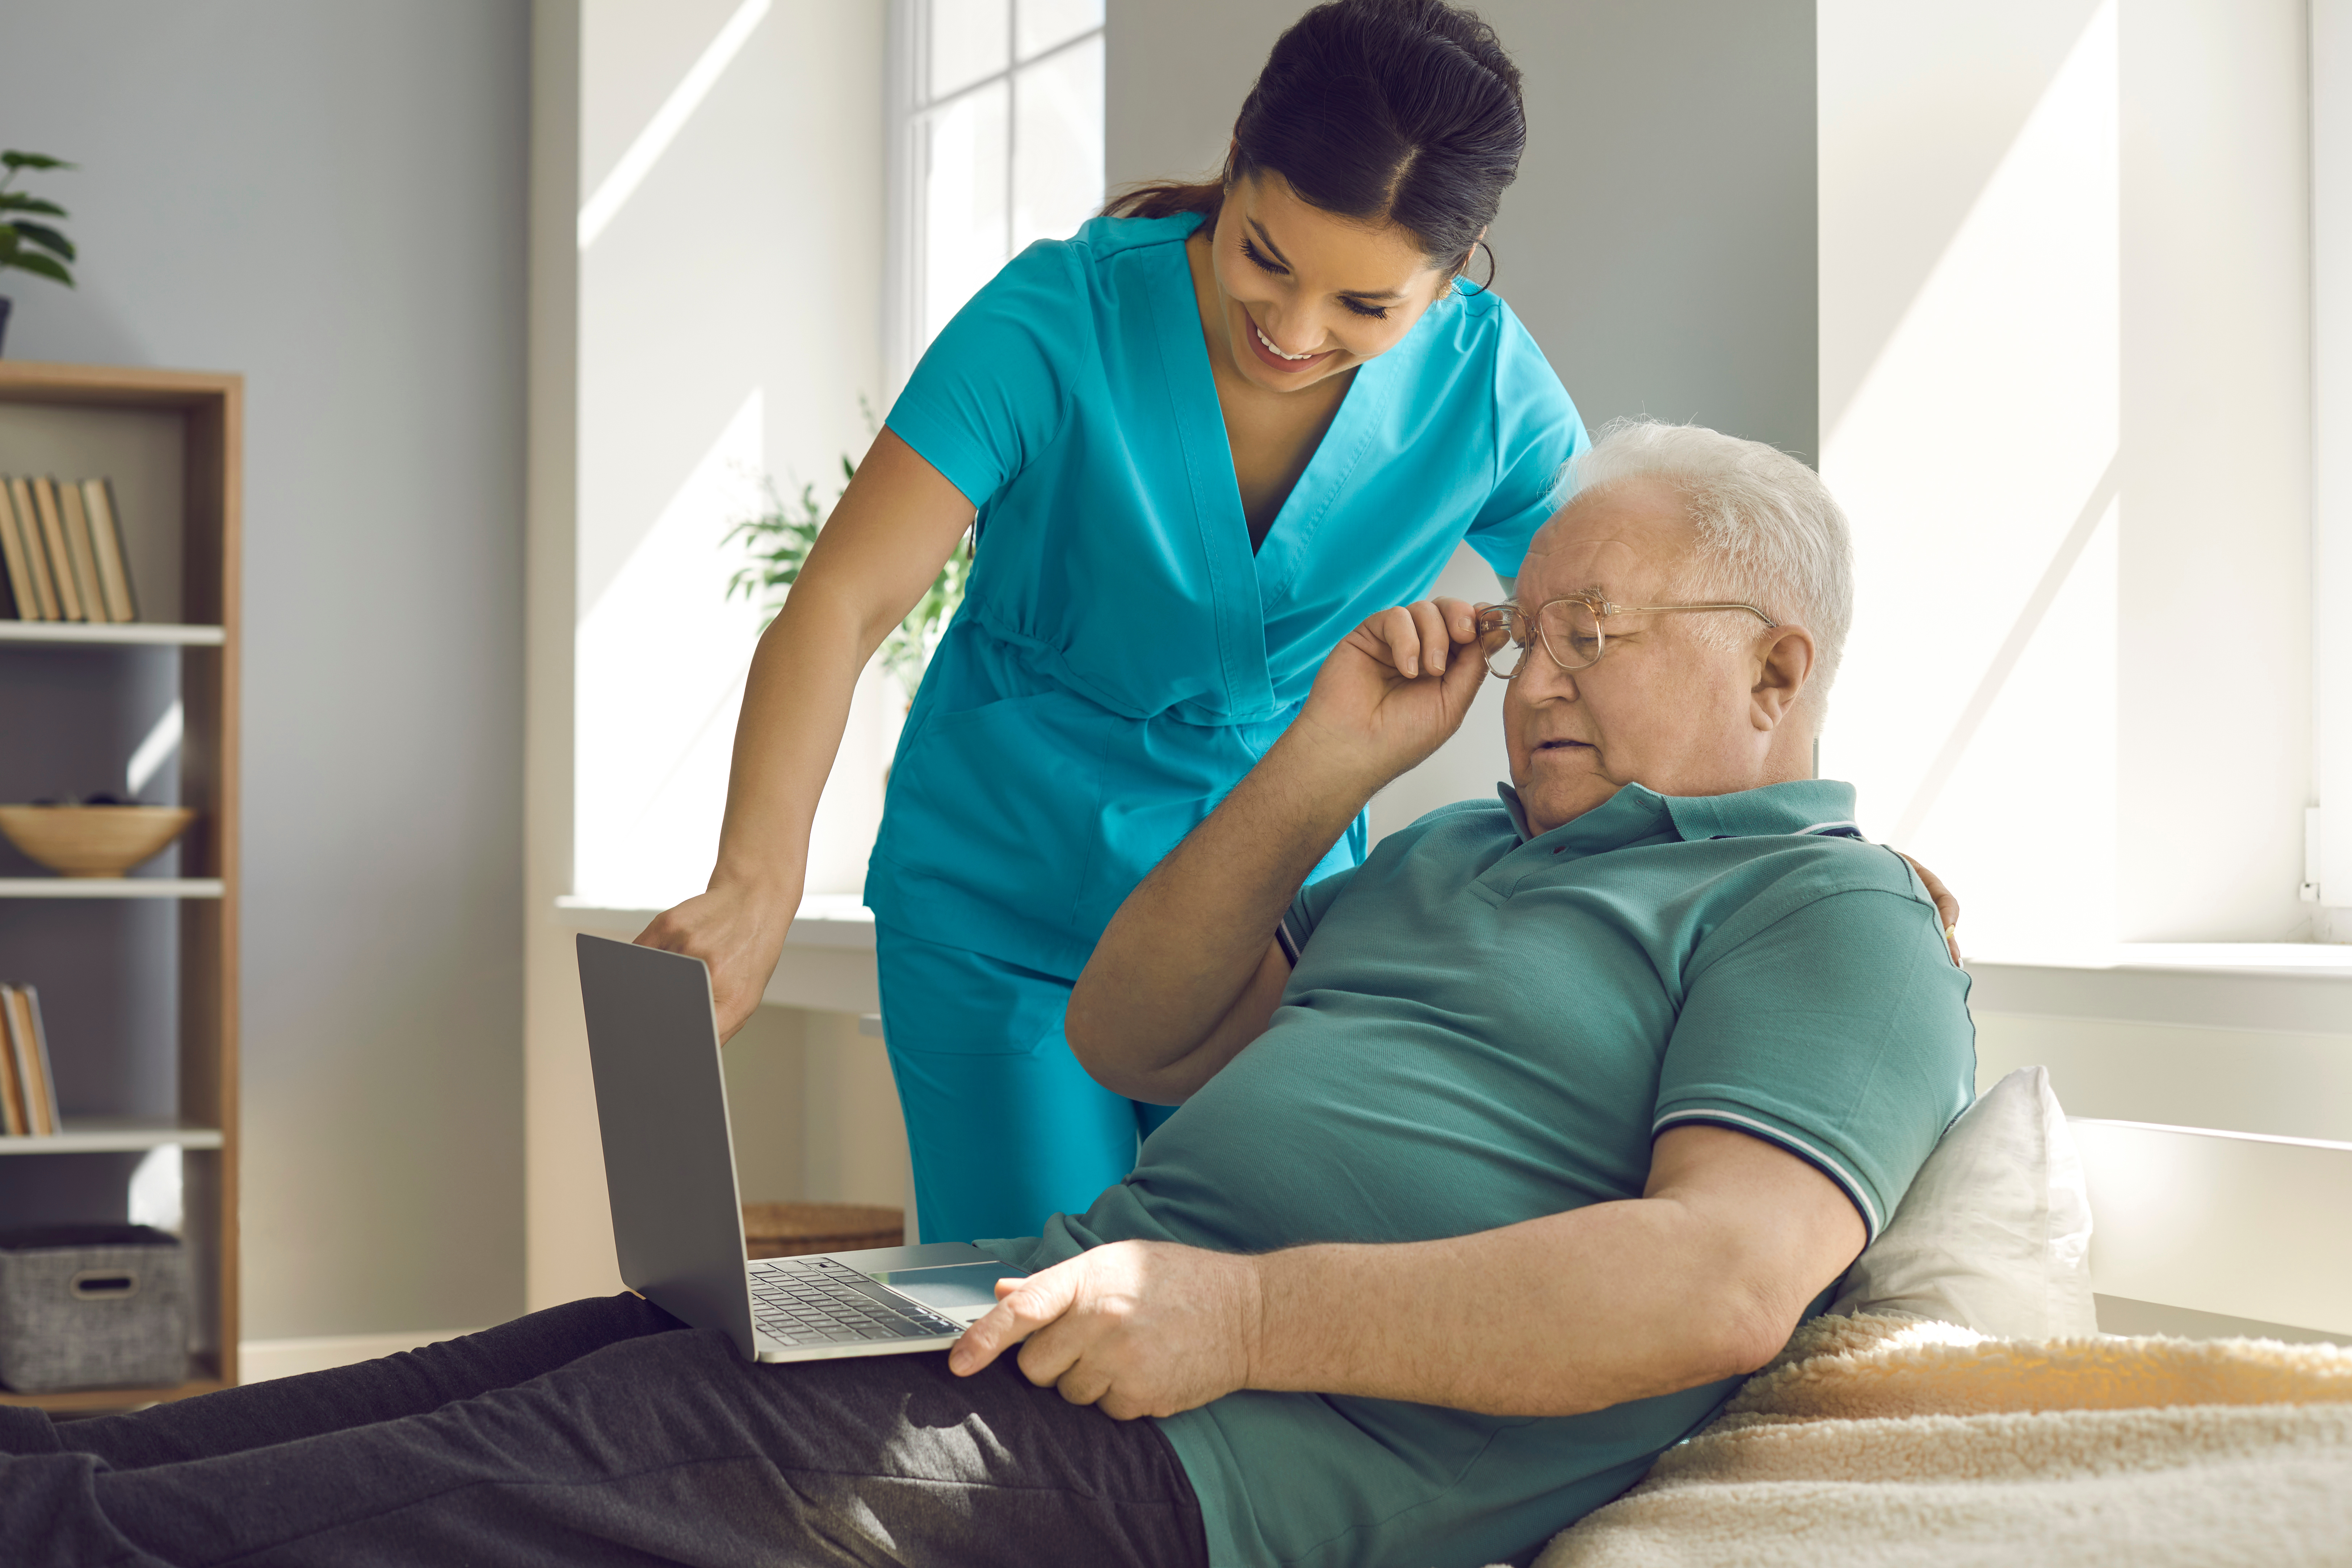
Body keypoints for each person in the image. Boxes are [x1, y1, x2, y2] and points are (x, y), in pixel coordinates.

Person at [11, 423, 1974, 1568]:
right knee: (554, 1366)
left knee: (548, 1480)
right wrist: (1318, 769)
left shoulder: (1832, 913)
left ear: (1775, 672)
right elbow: (1139, 1031)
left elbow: (1720, 1276)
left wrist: (1240, 1311)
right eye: (1524, 628)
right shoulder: (1463, 855)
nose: (1530, 679)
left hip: (1211, 1445)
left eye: (1588, 638)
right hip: (1045, 1300)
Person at [635, 0, 1592, 1246]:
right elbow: (845, 598)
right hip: (1006, 898)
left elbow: (1622, 614)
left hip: (1275, 927)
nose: (1295, 335)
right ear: (1238, 163)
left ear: (1453, 274)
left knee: (1253, 1323)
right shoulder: (1054, 322)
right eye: (1265, 258)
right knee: (1032, 1330)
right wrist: (755, 885)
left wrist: (1787, 842)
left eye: (1366, 309)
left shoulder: (1491, 388)